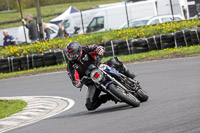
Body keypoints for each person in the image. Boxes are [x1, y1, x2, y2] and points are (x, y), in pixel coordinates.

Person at [66, 41, 136, 111]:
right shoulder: (70, 65)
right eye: (70, 55)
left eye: (74, 54)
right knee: (90, 105)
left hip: (99, 67)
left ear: (79, 51)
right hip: (92, 81)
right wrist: (77, 83)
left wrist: (99, 50)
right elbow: (74, 78)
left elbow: (96, 48)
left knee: (114, 61)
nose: (72, 57)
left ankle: (129, 74)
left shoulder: (85, 49)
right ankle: (109, 96)